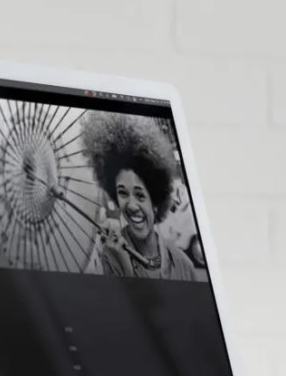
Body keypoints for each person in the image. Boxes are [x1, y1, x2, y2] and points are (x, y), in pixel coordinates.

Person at [80, 113, 203, 281]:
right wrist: (125, 268)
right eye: (122, 193)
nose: (131, 205)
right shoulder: (106, 258)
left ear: (156, 199)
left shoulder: (183, 266)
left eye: (139, 194)